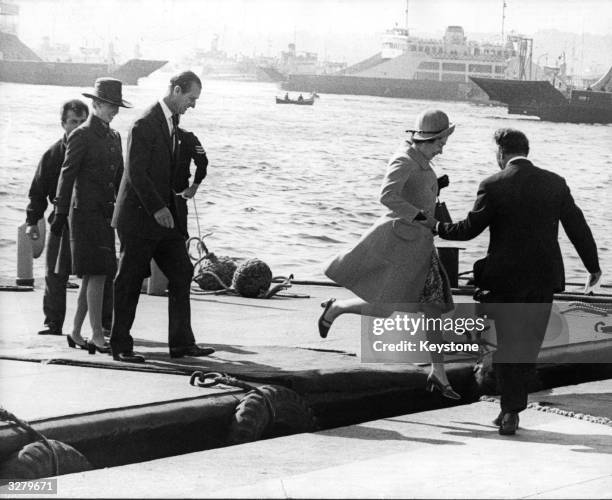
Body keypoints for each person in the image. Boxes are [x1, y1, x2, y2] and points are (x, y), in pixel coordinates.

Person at [435, 128, 601, 435]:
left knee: (505, 345)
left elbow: (468, 230)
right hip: (543, 278)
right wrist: (593, 266)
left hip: (503, 280)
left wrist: (436, 225)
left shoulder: (493, 184)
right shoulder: (555, 183)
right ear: (527, 149)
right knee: (526, 345)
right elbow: (577, 226)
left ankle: (510, 411)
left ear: (501, 153)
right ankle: (510, 408)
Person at [321, 109, 460, 399]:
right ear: (426, 139)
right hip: (400, 243)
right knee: (385, 309)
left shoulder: (421, 159)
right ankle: (336, 308)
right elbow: (387, 196)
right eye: (440, 142)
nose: (442, 147)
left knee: (434, 306)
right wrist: (424, 217)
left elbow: (413, 191)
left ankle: (439, 370)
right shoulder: (405, 159)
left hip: (420, 245)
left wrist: (434, 191)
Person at [110, 70, 215, 363]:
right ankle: (120, 346)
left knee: (182, 271)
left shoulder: (172, 124)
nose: (193, 104)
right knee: (129, 280)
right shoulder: (145, 123)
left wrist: (172, 206)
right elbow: (136, 173)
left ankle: (181, 344)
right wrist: (158, 208)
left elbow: (167, 174)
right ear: (177, 90)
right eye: (191, 98)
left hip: (164, 220)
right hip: (140, 218)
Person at [52, 78, 128, 353]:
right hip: (84, 214)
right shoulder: (81, 135)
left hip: (105, 214)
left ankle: (75, 331)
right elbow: (67, 174)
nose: (114, 111)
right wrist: (60, 212)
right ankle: (96, 334)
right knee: (97, 273)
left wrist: (124, 208)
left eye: (116, 106)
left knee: (94, 275)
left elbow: (119, 177)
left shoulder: (113, 136)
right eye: (110, 105)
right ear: (95, 104)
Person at [25, 99, 113, 337]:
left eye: (82, 121)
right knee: (55, 273)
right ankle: (53, 323)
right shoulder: (53, 154)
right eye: (73, 121)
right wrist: (33, 221)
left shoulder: (98, 147)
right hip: (61, 218)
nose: (77, 126)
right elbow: (37, 190)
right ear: (63, 124)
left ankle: (105, 323)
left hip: (89, 217)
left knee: (99, 272)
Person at [173, 126, 208, 238]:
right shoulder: (154, 134)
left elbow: (202, 162)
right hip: (156, 196)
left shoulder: (187, 137)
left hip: (179, 195)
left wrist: (194, 186)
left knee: (180, 234)